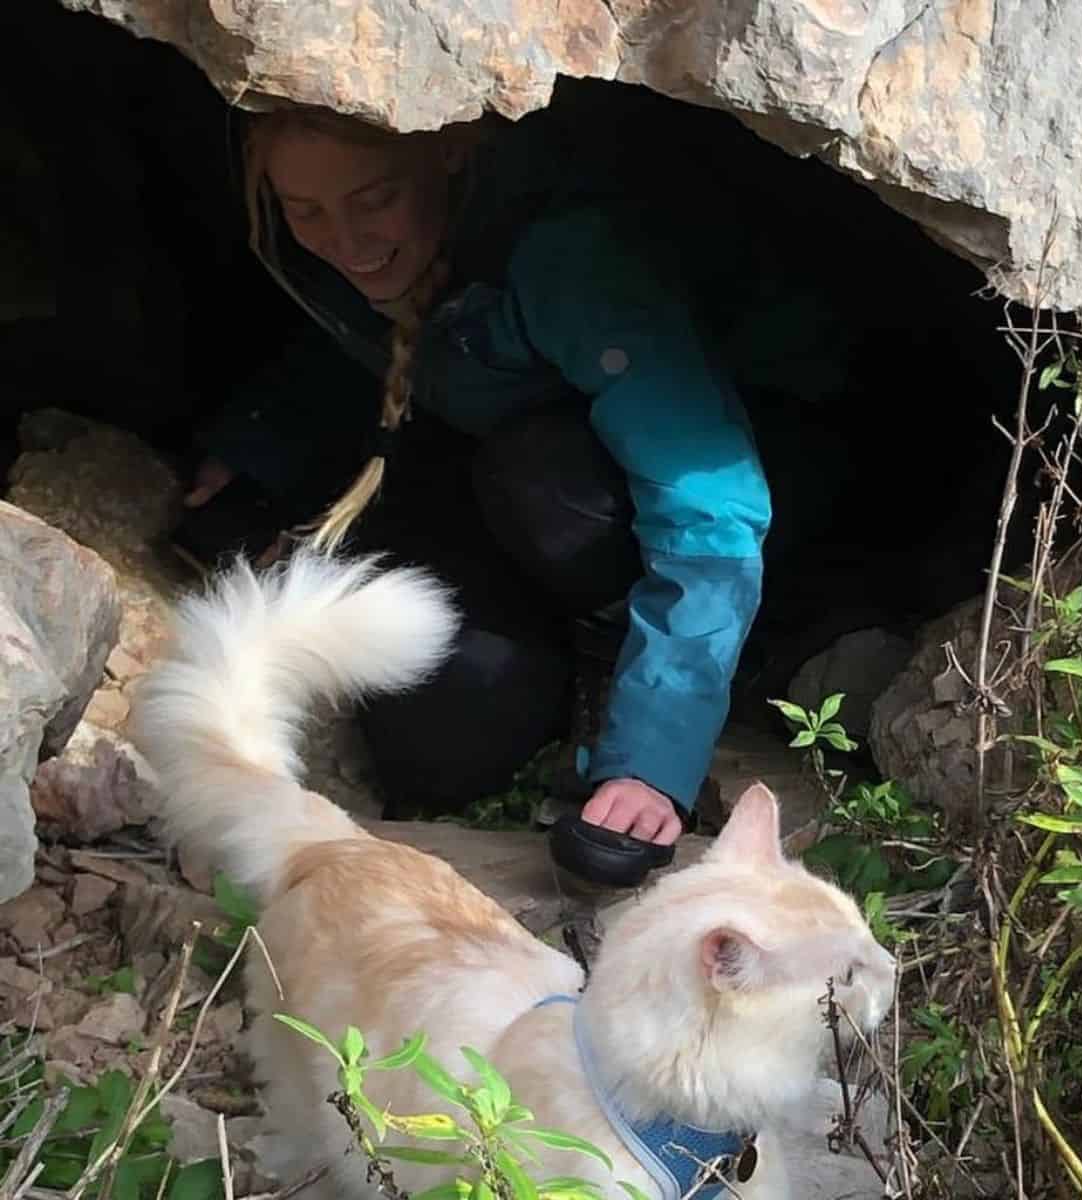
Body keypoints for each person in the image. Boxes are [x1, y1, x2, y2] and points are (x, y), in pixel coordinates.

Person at [173, 87, 884, 848]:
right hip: (528, 480)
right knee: (437, 751)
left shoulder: (569, 257)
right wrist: (254, 448)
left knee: (543, 483)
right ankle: (573, 654)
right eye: (305, 210)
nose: (345, 240)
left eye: (374, 198)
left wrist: (652, 762)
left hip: (757, 479)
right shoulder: (331, 255)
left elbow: (708, 503)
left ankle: (690, 658)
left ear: (448, 151)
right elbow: (361, 343)